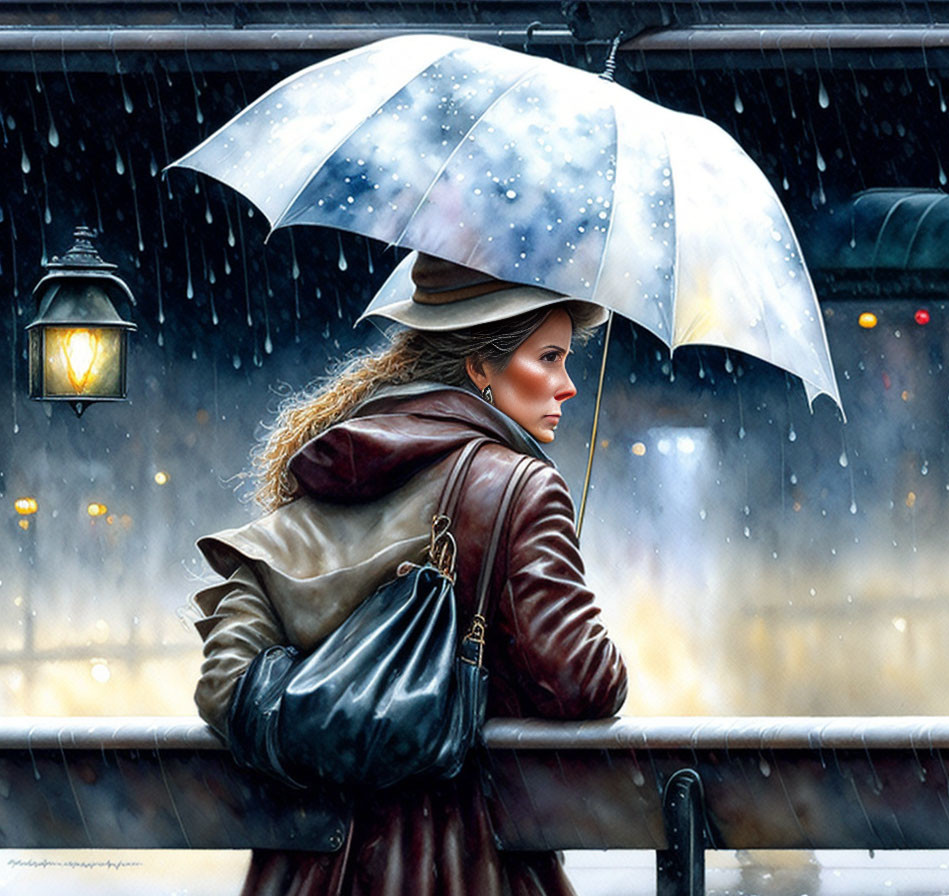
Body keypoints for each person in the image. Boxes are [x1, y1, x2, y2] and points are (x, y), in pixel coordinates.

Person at [190, 253, 628, 896]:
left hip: (306, 863)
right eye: (549, 358)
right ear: (480, 366)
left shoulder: (342, 460)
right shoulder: (519, 487)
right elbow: (581, 681)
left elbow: (227, 678)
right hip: (455, 860)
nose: (566, 386)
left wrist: (330, 711)